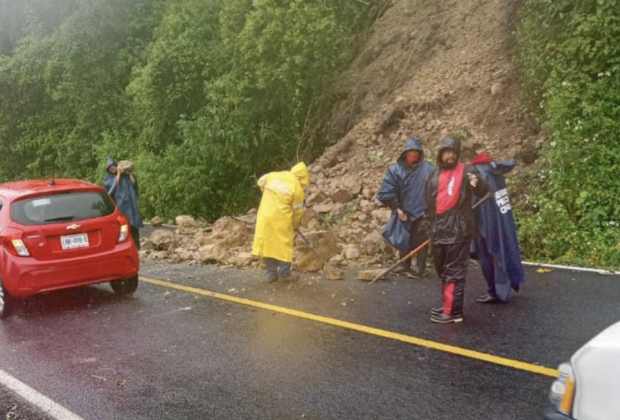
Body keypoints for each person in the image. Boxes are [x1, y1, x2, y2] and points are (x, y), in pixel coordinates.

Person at [425, 138, 488, 324]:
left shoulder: (468, 171)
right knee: (442, 270)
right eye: (447, 151)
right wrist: (428, 228)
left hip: (459, 230)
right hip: (438, 230)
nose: (451, 155)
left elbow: (484, 191)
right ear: (440, 153)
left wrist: (477, 184)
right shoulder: (433, 175)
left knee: (454, 272)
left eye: (454, 151)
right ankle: (448, 305)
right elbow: (428, 204)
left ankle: (453, 312)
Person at [461, 148, 525, 303]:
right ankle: (499, 289)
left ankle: (495, 291)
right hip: (500, 220)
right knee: (500, 252)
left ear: (466, 161)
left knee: (488, 256)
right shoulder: (493, 169)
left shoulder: (478, 172)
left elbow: (477, 200)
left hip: (485, 223)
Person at [377, 137, 435, 277]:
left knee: (421, 237)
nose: (413, 154)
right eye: (411, 152)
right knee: (404, 237)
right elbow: (387, 189)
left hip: (423, 211)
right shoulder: (395, 170)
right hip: (403, 210)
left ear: (420, 153)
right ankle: (404, 264)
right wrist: (397, 207)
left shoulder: (429, 169)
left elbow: (437, 186)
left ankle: (419, 267)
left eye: (416, 152)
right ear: (405, 153)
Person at [251, 162, 310, 283]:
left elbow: (261, 182)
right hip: (280, 219)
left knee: (268, 244)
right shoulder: (297, 189)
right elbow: (297, 213)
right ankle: (284, 274)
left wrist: (268, 193)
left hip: (264, 216)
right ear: (302, 178)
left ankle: (271, 275)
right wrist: (294, 226)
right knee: (284, 245)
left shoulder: (275, 175)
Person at [103, 157, 143, 250]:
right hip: (120, 205)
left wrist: (131, 173)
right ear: (108, 169)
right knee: (123, 227)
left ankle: (137, 248)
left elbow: (133, 183)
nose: (112, 168)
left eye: (113, 166)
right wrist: (119, 174)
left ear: (116, 166)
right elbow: (112, 187)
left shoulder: (126, 176)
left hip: (131, 204)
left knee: (134, 225)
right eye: (110, 167)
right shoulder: (108, 178)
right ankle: (125, 247)